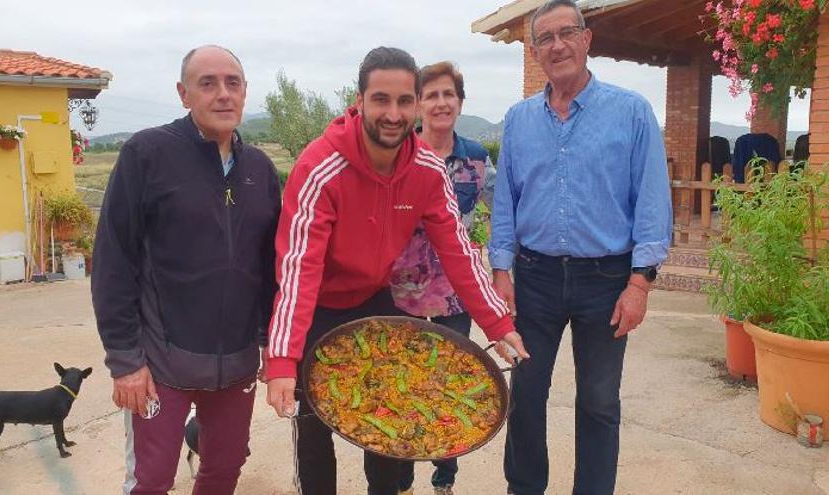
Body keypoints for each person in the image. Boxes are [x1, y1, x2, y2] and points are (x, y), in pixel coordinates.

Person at [263, 47, 529, 495]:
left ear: (416, 104)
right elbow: (297, 269)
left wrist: (499, 324)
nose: (393, 113)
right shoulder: (319, 167)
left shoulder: (426, 168)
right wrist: (282, 360)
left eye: (404, 101)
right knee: (311, 427)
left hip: (374, 298)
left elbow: (459, 251)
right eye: (381, 99)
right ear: (360, 99)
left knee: (390, 414)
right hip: (318, 307)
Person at [488, 1, 673, 494]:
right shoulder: (518, 119)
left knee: (598, 400)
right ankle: (524, 488)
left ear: (587, 40)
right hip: (534, 278)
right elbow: (505, 201)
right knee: (525, 392)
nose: (558, 45)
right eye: (545, 38)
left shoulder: (631, 112)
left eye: (567, 32)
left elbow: (652, 205)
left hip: (606, 280)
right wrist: (501, 271)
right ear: (535, 51)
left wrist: (640, 283)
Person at [91, 45, 280, 495]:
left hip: (236, 364)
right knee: (151, 481)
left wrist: (274, 342)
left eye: (232, 83)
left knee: (223, 470)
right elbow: (113, 260)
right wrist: (125, 361)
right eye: (207, 83)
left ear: (245, 92)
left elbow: (273, 268)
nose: (222, 94)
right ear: (183, 93)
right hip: (160, 363)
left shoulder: (260, 170)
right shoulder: (148, 154)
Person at [391, 61, 495, 495]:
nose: (440, 103)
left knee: (447, 383)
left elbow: (504, 207)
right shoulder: (398, 154)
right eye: (430, 95)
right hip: (400, 294)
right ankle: (399, 478)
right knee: (402, 384)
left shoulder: (475, 157)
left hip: (455, 297)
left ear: (460, 102)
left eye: (447, 94)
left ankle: (443, 478)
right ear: (417, 105)